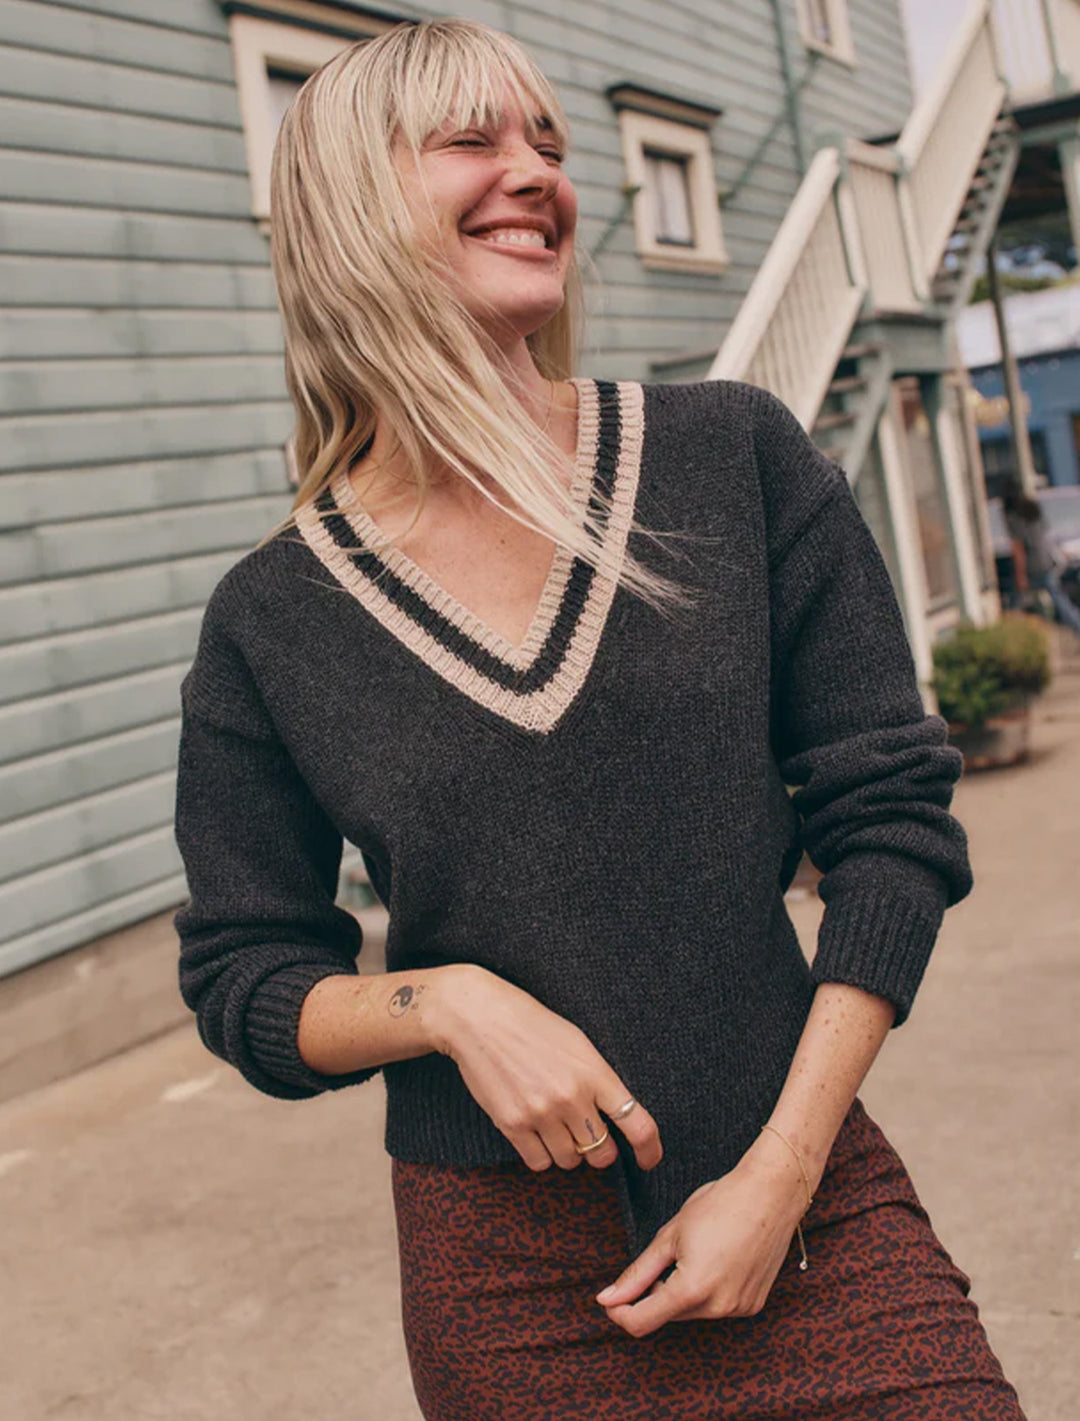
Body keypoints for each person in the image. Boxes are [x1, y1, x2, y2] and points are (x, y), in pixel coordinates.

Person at [172, 19, 1026, 1419]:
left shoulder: (732, 458)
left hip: (808, 1205)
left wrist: (784, 1171)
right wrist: (445, 1003)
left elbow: (892, 831)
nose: (537, 175)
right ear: (347, 208)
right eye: (475, 142)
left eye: (550, 145)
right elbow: (249, 976)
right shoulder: (275, 615)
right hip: (507, 1289)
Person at [1003, 487, 1080, 639]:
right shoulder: (1034, 513)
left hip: (1032, 566)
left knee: (1015, 601)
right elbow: (1046, 537)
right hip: (1046, 562)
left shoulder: (1013, 520)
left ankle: (1009, 633)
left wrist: (1021, 576)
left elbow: (1018, 551)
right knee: (1060, 602)